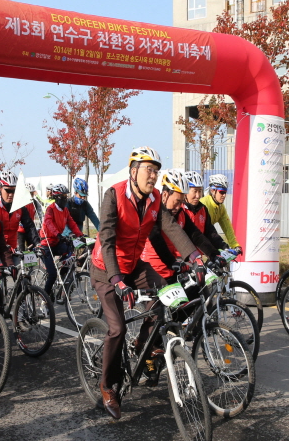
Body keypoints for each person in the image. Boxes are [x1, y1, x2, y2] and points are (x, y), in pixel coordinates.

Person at [90, 147, 201, 420]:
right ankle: (107, 386)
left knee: (164, 293)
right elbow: (106, 238)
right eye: (148, 169)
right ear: (133, 171)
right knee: (116, 329)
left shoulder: (153, 199)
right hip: (107, 270)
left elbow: (171, 228)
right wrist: (118, 280)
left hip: (133, 265)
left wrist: (196, 258)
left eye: (156, 170)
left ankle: (142, 343)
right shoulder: (114, 194)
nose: (153, 176)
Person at [141, 169, 230, 283]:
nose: (179, 207)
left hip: (173, 269)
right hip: (154, 271)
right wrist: (173, 262)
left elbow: (196, 235)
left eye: (181, 202)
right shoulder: (154, 212)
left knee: (198, 292)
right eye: (177, 201)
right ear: (165, 195)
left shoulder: (181, 213)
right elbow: (157, 240)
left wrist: (214, 255)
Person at [39, 184, 84, 300]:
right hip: (47, 244)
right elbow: (48, 223)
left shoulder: (65, 211)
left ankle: (64, 277)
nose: (65, 199)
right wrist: (58, 235)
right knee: (52, 274)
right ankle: (45, 299)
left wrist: (80, 235)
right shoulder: (50, 209)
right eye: (62, 197)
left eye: (66, 196)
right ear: (56, 198)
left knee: (70, 253)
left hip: (57, 242)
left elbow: (72, 223)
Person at [0, 170, 40, 253]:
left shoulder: (20, 206)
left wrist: (37, 243)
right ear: (0, 189)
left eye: (13, 191)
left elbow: (29, 226)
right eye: (8, 191)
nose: (11, 194)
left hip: (13, 249)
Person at [200, 174, 242, 254]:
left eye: (225, 192)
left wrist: (235, 245)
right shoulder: (204, 204)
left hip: (208, 238)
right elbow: (205, 230)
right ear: (213, 191)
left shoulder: (220, 207)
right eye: (222, 192)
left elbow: (227, 227)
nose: (224, 195)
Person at [17, 182, 44, 250]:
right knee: (21, 250)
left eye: (32, 193)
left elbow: (40, 215)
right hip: (20, 230)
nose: (31, 195)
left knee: (34, 249)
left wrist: (40, 227)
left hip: (30, 229)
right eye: (29, 193)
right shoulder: (19, 203)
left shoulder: (35, 203)